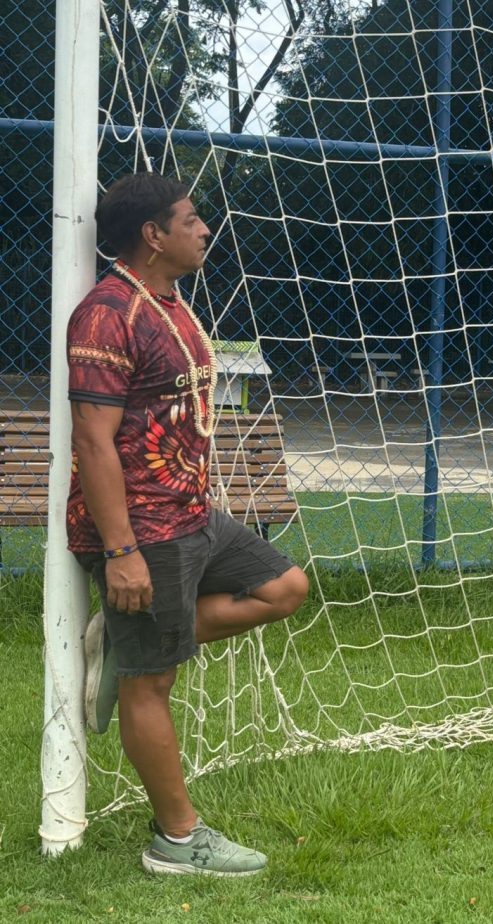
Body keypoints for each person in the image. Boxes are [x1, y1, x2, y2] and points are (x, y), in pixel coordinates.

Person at [67, 172, 309, 876]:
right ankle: (177, 841)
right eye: (191, 219)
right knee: (152, 683)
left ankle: (129, 642)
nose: (205, 230)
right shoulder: (107, 314)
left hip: (194, 513)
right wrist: (121, 552)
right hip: (142, 531)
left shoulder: (169, 303)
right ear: (153, 235)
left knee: (285, 587)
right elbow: (93, 442)